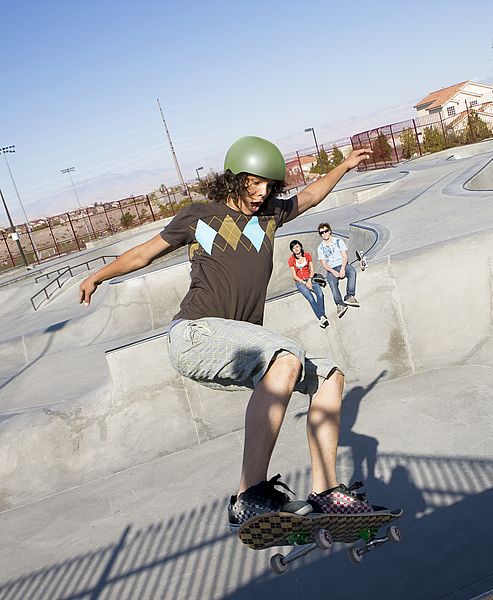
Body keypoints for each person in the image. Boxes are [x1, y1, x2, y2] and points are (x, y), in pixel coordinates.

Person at [79, 136, 383, 529]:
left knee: (329, 376)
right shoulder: (200, 216)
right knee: (285, 356)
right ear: (235, 178)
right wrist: (98, 276)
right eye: (254, 183)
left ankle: (325, 492)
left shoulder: (271, 215)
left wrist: (342, 167)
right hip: (195, 334)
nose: (261, 193)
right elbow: (143, 253)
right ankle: (249, 495)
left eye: (270, 186)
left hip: (238, 343)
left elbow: (309, 197)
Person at [316, 222, 359, 318]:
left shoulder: (338, 241)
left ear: (330, 231)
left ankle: (349, 296)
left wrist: (343, 269)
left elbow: (345, 256)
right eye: (322, 233)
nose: (324, 234)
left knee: (352, 271)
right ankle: (340, 304)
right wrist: (333, 271)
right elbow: (324, 264)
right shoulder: (320, 248)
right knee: (331, 281)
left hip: (342, 264)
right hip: (331, 268)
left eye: (326, 231)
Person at [288, 239, 328, 328]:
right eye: (293, 248)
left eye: (297, 246)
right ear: (292, 250)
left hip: (310, 278)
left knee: (320, 294)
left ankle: (321, 317)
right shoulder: (291, 260)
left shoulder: (307, 255)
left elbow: (312, 270)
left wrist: (309, 280)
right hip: (300, 282)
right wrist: (304, 283)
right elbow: (294, 276)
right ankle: (321, 317)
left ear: (300, 246)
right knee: (311, 298)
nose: (296, 249)